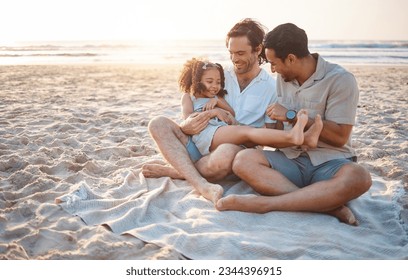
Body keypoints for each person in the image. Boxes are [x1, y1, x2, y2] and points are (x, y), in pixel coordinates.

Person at [216, 23, 372, 225]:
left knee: (360, 177)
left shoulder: (341, 80)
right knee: (243, 160)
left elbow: (340, 136)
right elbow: (282, 135)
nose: (272, 69)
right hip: (291, 159)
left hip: (329, 163)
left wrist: (292, 116)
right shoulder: (283, 78)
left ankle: (266, 204)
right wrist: (267, 131)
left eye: (274, 63)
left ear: (290, 58)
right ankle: (327, 206)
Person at [142, 19, 279, 204]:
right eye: (231, 53)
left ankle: (178, 171)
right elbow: (192, 101)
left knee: (226, 154)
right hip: (196, 140)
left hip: (231, 150)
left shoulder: (272, 87)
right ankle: (198, 180)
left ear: (258, 49)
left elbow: (268, 135)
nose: (234, 59)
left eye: (240, 53)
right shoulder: (218, 75)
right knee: (157, 123)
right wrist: (186, 125)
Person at [178, 57, 322, 158]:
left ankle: (303, 139)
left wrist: (217, 105)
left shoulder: (216, 98)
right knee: (247, 131)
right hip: (204, 135)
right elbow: (188, 121)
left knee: (252, 134)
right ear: (196, 81)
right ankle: (295, 138)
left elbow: (231, 112)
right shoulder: (188, 97)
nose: (215, 86)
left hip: (220, 131)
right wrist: (213, 113)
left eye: (218, 82)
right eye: (209, 81)